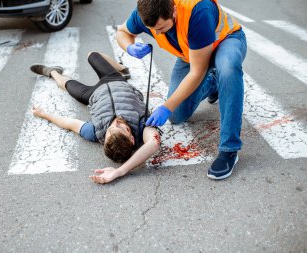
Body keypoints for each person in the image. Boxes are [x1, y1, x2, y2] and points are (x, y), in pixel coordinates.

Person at [116, 0, 247, 180]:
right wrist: (129, 47)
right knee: (177, 115)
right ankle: (214, 83)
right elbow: (123, 32)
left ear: (174, 11)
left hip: (225, 41)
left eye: (161, 28)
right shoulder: (146, 12)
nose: (157, 32)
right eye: (152, 29)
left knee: (228, 68)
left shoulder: (197, 11)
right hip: (192, 53)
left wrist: (165, 106)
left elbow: (197, 72)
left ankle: (229, 149)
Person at [30, 52, 161, 184]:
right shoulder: (142, 127)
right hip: (116, 81)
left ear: (104, 139)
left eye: (111, 130)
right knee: (92, 54)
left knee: (65, 85)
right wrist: (120, 171)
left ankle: (52, 71)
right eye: (122, 128)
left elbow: (69, 123)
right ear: (132, 138)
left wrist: (43, 114)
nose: (117, 122)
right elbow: (154, 143)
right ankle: (122, 69)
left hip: (93, 95)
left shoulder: (95, 133)